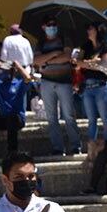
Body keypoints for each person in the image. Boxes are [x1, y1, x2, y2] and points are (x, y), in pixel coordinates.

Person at [33, 16, 80, 156]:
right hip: (47, 82)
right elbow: (36, 60)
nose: (52, 27)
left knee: (69, 115)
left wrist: (47, 61)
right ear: (43, 27)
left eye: (54, 24)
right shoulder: (40, 42)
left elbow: (67, 57)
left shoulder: (65, 39)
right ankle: (58, 147)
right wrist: (54, 54)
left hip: (64, 82)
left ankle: (75, 145)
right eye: (49, 25)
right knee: (52, 117)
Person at [77, 22, 107, 163]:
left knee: (106, 119)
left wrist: (88, 63)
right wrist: (94, 62)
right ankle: (92, 150)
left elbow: (104, 65)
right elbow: (78, 62)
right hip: (88, 88)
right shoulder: (85, 46)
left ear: (98, 30)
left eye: (90, 28)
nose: (88, 30)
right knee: (91, 121)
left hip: (102, 87)